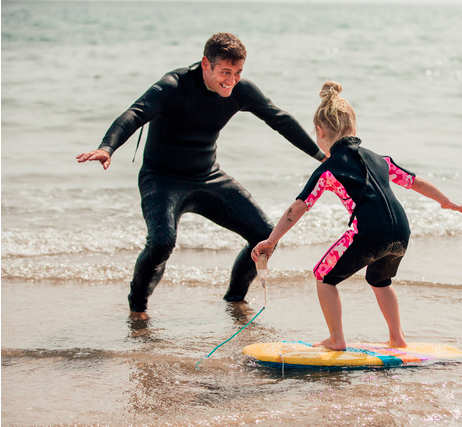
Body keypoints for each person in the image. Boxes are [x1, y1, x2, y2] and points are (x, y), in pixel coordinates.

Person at [76, 33, 326, 319]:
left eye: (238, 72)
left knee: (264, 235)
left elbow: (279, 119)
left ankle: (235, 300)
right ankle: (137, 309)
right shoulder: (173, 86)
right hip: (161, 179)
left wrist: (322, 157)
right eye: (225, 72)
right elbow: (135, 113)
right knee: (161, 242)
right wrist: (107, 148)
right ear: (206, 64)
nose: (232, 80)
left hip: (208, 177)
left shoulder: (241, 91)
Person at [251, 81, 462, 351]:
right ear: (353, 128)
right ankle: (397, 338)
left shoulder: (329, 168)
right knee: (380, 280)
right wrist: (446, 201)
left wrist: (272, 240)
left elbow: (298, 208)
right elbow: (414, 181)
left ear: (320, 132)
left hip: (368, 231)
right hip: (401, 231)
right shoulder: (380, 159)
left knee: (324, 276)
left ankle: (336, 339)